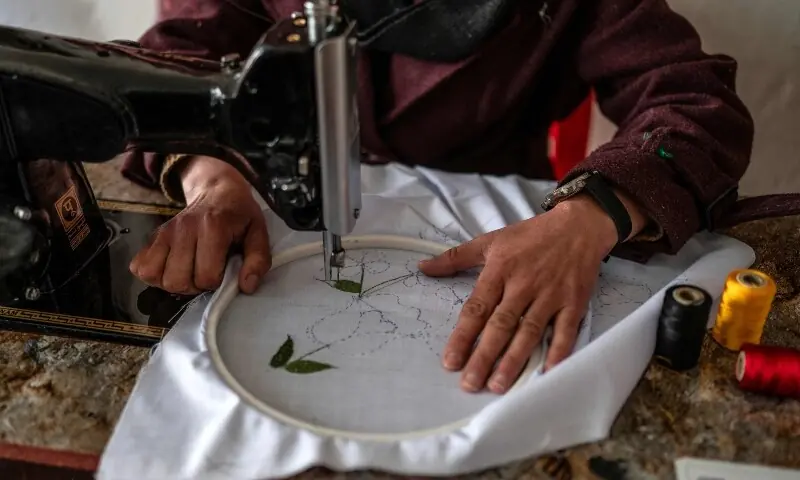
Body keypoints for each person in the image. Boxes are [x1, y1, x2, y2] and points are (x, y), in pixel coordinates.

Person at [121, 0, 754, 394]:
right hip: (287, 200)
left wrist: (593, 215)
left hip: (514, 223)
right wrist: (210, 177)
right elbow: (179, 61)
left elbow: (693, 101)